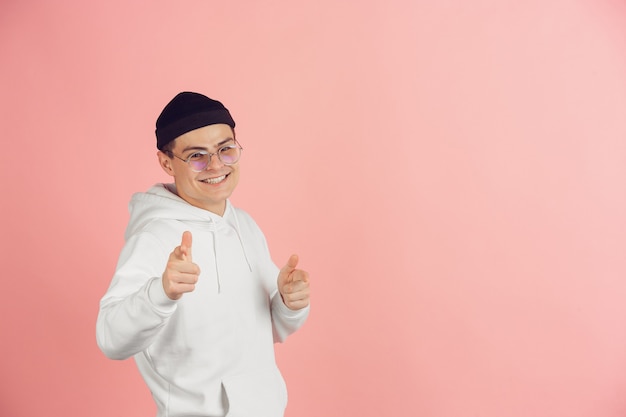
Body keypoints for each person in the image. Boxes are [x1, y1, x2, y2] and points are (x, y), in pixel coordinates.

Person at [96, 91, 311, 417]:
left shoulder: (246, 226)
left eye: (226, 149)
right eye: (197, 155)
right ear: (167, 162)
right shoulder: (155, 237)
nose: (215, 165)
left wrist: (289, 302)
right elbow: (111, 338)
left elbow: (272, 329)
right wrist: (161, 293)